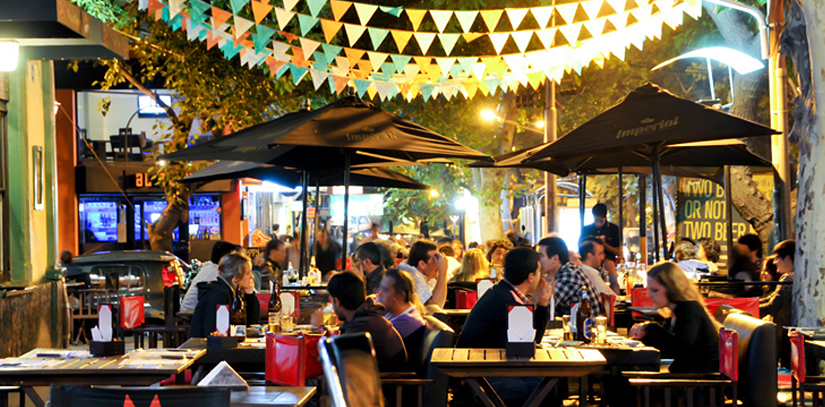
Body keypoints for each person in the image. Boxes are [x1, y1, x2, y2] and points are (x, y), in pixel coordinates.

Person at [456, 248, 554, 406]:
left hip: (474, 371)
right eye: (539, 272)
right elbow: (526, 348)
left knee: (546, 381)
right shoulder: (511, 304)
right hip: (480, 378)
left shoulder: (499, 291)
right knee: (549, 385)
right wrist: (542, 304)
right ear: (531, 277)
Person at [629, 262, 719, 373]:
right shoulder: (678, 311)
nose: (648, 295)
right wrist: (644, 334)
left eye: (654, 290)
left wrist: (652, 329)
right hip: (687, 378)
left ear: (671, 288)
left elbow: (680, 349)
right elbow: (668, 348)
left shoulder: (689, 310)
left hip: (698, 383)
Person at [327, 271, 407, 371]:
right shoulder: (368, 316)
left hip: (387, 384)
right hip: (379, 381)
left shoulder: (361, 327)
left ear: (337, 302)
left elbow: (340, 364)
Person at [189, 253, 260, 338]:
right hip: (203, 348)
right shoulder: (219, 294)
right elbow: (214, 333)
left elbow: (252, 324)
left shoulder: (230, 291)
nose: (252, 276)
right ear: (236, 278)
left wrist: (249, 293)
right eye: (248, 273)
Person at [538, 236, 604, 316]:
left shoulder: (570, 274)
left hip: (586, 326)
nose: (538, 260)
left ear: (555, 259)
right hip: (572, 324)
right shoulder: (554, 274)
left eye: (541, 256)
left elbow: (545, 303)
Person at [181, 240, 239, 312]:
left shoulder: (211, 268)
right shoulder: (214, 273)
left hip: (196, 313)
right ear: (225, 258)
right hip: (190, 315)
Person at [397, 239, 448, 308]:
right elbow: (434, 308)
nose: (439, 262)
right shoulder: (412, 277)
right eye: (435, 259)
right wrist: (443, 271)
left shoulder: (424, 275)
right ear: (422, 264)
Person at [580, 203, 621, 288]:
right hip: (591, 258)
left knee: (612, 275)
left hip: (608, 258)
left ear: (606, 218)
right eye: (596, 221)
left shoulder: (614, 229)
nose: (598, 224)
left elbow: (618, 252)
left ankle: (614, 295)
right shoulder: (586, 229)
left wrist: (604, 244)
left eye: (601, 221)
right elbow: (580, 246)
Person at [376, 268, 425, 339]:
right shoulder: (393, 313)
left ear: (401, 295)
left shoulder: (406, 323)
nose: (379, 294)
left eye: (385, 290)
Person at [760, 240, 795, 328]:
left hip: (784, 331)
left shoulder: (788, 278)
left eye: (777, 258)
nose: (774, 262)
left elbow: (773, 306)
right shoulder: (795, 276)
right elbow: (770, 299)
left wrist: (745, 308)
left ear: (787, 258)